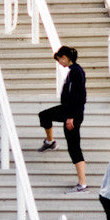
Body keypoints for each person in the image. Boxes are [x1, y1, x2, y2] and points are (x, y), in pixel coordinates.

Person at [37, 45, 88, 193]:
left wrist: (71, 117)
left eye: (59, 59)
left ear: (65, 58)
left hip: (72, 114)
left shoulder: (77, 72)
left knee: (74, 147)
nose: (59, 63)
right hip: (66, 111)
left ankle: (82, 184)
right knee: (44, 115)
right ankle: (50, 142)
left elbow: (79, 96)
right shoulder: (73, 71)